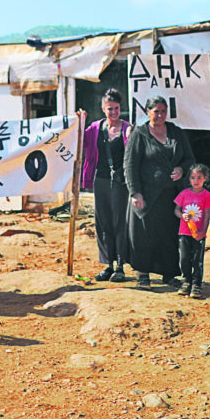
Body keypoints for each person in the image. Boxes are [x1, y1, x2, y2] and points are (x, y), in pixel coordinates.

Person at [124, 96, 194, 290]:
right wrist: (135, 192)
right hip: (147, 196)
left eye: (163, 111)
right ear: (147, 112)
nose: (160, 115)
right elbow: (130, 165)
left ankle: (169, 274)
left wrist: (181, 169)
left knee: (169, 235)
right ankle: (143, 273)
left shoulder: (176, 133)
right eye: (156, 111)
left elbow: (189, 158)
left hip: (171, 196)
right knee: (144, 235)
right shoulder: (139, 134)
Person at [80, 89, 132, 283]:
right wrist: (80, 121)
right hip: (100, 179)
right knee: (103, 223)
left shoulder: (128, 129)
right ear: (103, 109)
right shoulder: (95, 128)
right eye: (110, 108)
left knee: (120, 223)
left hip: (121, 182)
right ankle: (108, 265)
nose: (113, 112)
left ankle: (120, 266)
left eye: (117, 108)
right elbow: (79, 140)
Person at [174, 163, 210, 299]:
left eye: (199, 177)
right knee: (184, 258)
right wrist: (182, 216)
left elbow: (207, 215)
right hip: (184, 232)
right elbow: (176, 210)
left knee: (197, 260)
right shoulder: (184, 194)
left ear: (205, 178)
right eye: (192, 178)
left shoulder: (207, 196)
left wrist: (203, 232)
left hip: (198, 234)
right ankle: (186, 281)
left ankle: (196, 284)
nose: (195, 181)